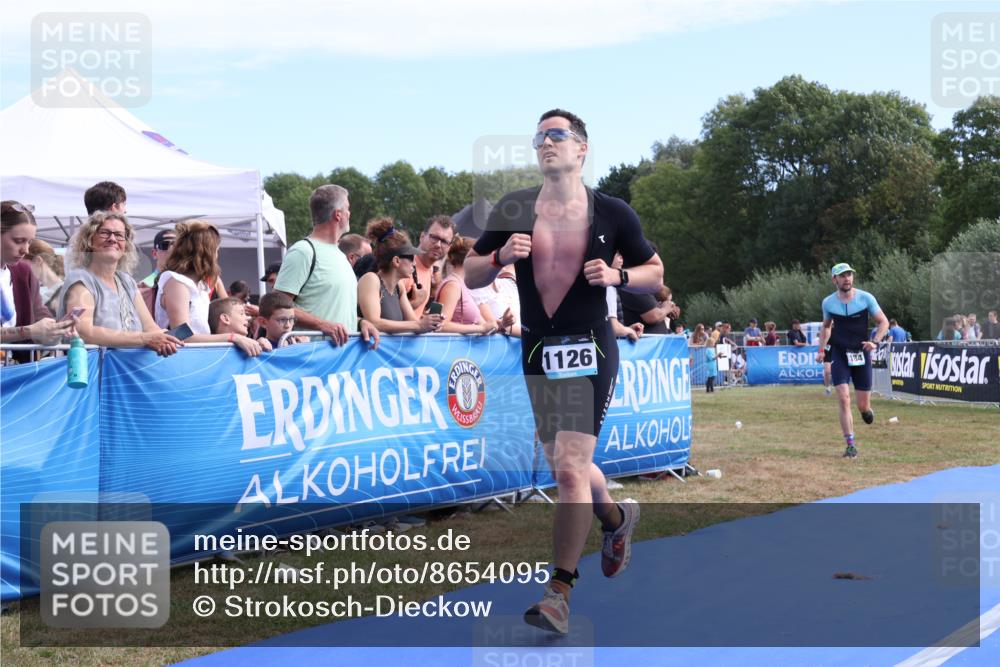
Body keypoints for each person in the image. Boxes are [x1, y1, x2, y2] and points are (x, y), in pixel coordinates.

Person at [465, 108, 663, 634]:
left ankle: (559, 592)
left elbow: (656, 272)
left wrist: (619, 274)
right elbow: (469, 270)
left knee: (572, 468)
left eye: (558, 135)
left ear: (581, 148)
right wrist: (502, 252)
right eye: (540, 137)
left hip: (591, 346)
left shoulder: (613, 211)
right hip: (539, 347)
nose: (546, 143)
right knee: (565, 470)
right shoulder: (515, 206)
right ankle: (617, 520)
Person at [60, 211, 182, 355]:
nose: (112, 239)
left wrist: (166, 338)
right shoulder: (81, 279)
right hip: (94, 373)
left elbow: (150, 328)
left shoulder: (126, 282)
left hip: (127, 371)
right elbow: (83, 331)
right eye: (105, 233)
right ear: (90, 240)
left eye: (119, 235)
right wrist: (144, 338)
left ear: (126, 245)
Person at [273, 184, 379, 348]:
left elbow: (335, 312)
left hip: (341, 360)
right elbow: (277, 306)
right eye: (348, 209)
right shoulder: (303, 251)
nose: (350, 214)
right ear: (338, 215)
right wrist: (321, 325)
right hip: (312, 359)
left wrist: (361, 323)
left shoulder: (339, 254)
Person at [155, 221, 265, 357]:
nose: (217, 256)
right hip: (180, 362)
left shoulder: (199, 285)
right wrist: (232, 337)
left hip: (197, 358)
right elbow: (181, 336)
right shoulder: (177, 282)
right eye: (216, 250)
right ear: (206, 252)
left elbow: (201, 332)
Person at [815, 263, 888, 459]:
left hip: (861, 352)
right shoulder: (828, 303)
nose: (847, 278)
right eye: (842, 275)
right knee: (843, 398)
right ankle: (850, 444)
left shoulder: (866, 298)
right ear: (834, 280)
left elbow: (884, 322)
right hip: (840, 353)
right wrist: (822, 349)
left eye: (849, 274)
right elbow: (826, 326)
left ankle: (866, 411)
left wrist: (875, 342)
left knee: (862, 405)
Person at [357, 217, 443, 334]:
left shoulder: (399, 286)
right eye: (411, 257)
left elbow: (413, 322)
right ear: (396, 261)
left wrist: (430, 322)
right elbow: (374, 322)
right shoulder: (371, 280)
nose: (414, 263)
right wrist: (419, 325)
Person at [1, 201, 58, 349]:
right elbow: (33, 329)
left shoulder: (24, 272)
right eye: (18, 241)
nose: (25, 250)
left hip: (19, 369)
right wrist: (29, 331)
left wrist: (56, 329)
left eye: (30, 242)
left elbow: (40, 316)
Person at [436, 236, 500, 335]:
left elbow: (483, 325)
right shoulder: (453, 285)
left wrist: (495, 325)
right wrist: (481, 328)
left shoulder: (461, 284)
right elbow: (441, 325)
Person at [408, 215, 455, 317]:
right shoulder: (403, 264)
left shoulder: (431, 271)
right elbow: (384, 313)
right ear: (422, 237)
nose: (438, 245)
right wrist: (416, 303)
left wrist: (427, 319)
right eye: (434, 237)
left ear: (449, 247)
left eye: (444, 241)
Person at [208, 296, 273, 351]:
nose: (247, 318)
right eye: (242, 314)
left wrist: (259, 346)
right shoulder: (211, 351)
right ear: (225, 319)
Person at [24, 238, 64, 312]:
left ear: (38, 261)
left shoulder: (63, 293)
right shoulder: (50, 292)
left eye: (23, 264)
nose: (21, 270)